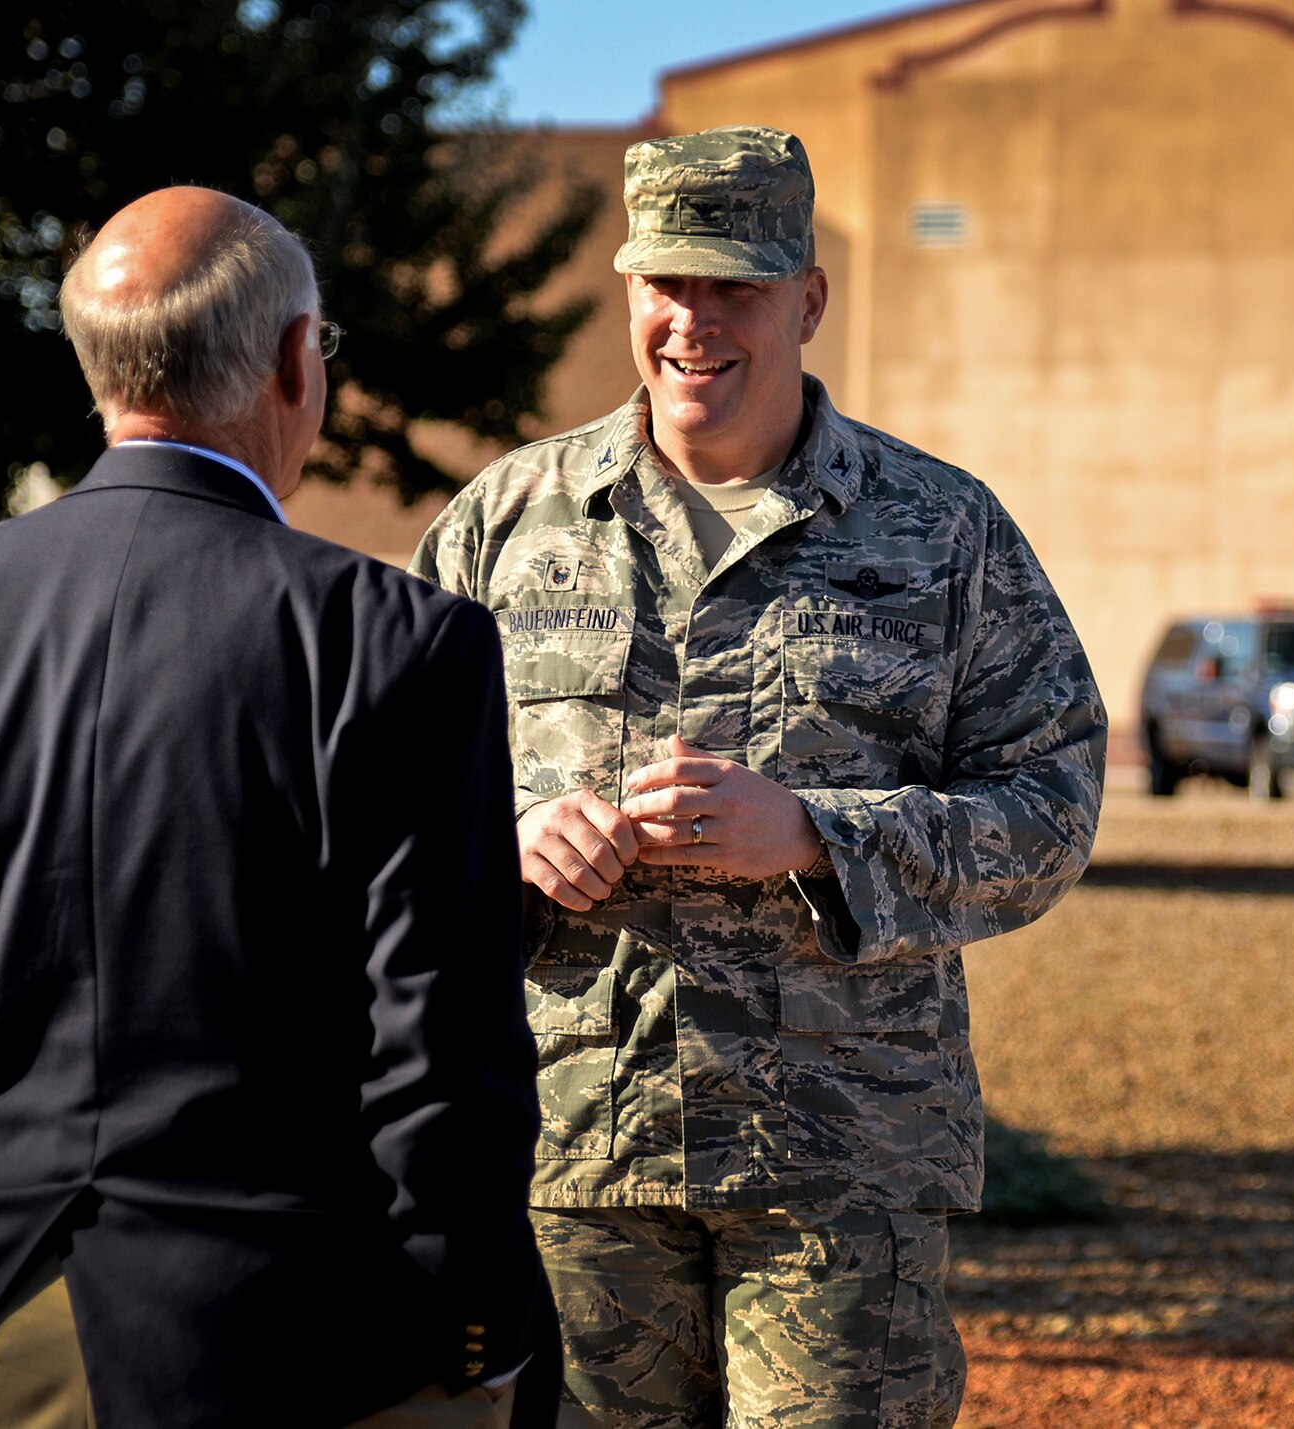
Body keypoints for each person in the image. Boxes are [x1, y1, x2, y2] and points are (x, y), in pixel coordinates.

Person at [411, 124, 1106, 1427]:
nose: (694, 321)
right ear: (631, 291)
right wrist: (502, 835)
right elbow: (376, 807)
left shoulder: (939, 530)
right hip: (571, 1162)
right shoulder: (506, 524)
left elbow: (1052, 806)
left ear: (809, 298)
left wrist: (816, 834)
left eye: (735, 284)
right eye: (667, 284)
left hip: (839, 1182)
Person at [0, 186, 559, 1428]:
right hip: (330, 1341)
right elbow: (439, 1038)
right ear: (295, 360)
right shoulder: (397, 643)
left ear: (95, 368)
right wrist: (477, 1313)